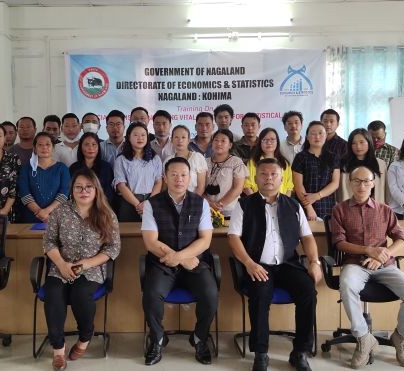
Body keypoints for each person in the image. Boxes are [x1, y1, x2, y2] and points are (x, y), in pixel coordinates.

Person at [228, 158, 321, 371]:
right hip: (258, 265)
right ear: (255, 177)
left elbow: (307, 237)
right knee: (260, 295)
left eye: (274, 174)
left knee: (308, 290)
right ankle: (261, 354)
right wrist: (249, 264)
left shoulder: (294, 205)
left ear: (281, 178)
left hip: (288, 264)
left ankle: (300, 351)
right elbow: (233, 237)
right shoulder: (244, 205)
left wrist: (314, 262)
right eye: (264, 174)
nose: (269, 178)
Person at [331, 166, 404, 369]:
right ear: (350, 183)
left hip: (385, 266)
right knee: (346, 285)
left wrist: (383, 255)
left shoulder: (385, 210)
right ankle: (364, 338)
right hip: (355, 263)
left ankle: (401, 337)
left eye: (366, 181)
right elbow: (339, 242)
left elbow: (402, 239)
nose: (361, 185)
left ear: (373, 183)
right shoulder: (340, 209)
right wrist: (368, 250)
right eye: (357, 181)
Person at [141, 157, 217, 366]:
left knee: (211, 295)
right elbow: (150, 242)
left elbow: (205, 240)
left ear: (190, 177)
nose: (179, 179)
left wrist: (181, 258)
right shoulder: (151, 204)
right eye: (173, 174)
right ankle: (157, 339)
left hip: (195, 264)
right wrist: (180, 259)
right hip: (162, 264)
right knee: (151, 295)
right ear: (165, 177)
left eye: (183, 174)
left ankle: (200, 338)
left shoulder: (200, 202)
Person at [42, 168, 121, 371]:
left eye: (88, 187)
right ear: (72, 190)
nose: (83, 191)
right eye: (78, 187)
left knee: (80, 295)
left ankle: (85, 336)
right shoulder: (60, 211)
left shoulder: (106, 214)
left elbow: (113, 248)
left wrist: (87, 263)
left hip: (91, 269)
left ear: (96, 189)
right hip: (61, 266)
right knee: (53, 294)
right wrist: (60, 264)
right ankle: (58, 350)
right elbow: (49, 242)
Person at [112, 122, 163, 222]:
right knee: (128, 234)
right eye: (135, 135)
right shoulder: (121, 159)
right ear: (129, 137)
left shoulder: (155, 158)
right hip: (129, 201)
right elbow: (121, 185)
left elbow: (158, 182)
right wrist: (137, 204)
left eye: (143, 135)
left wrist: (148, 203)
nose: (140, 138)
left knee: (152, 233)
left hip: (151, 199)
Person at [292, 121, 340, 221]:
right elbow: (298, 185)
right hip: (305, 207)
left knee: (327, 235)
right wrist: (309, 207)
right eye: (313, 134)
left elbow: (335, 183)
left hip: (327, 206)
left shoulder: (333, 157)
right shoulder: (300, 157)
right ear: (307, 137)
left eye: (320, 133)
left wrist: (317, 196)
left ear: (326, 135)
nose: (317, 137)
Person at [18, 132, 70, 223]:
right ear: (35, 148)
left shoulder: (62, 168)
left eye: (47, 144)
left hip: (57, 218)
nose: (44, 147)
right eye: (40, 145)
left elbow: (64, 193)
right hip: (31, 218)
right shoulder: (26, 169)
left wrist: (47, 211)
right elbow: (24, 193)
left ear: (53, 147)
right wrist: (40, 212)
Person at [204, 129, 248, 217]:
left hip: (230, 212)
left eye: (223, 141)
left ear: (230, 145)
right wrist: (209, 204)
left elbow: (238, 188)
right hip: (207, 210)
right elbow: (200, 187)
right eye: (216, 140)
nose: (219, 143)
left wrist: (220, 205)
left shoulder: (236, 162)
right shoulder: (204, 162)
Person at [336, 129, 387, 203]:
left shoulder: (380, 164)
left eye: (361, 142)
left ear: (369, 142)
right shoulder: (343, 164)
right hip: (348, 206)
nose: (358, 146)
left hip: (375, 207)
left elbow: (385, 190)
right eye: (354, 143)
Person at [243, 128, 293, 197]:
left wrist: (284, 203)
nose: (269, 143)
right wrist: (256, 202)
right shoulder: (253, 162)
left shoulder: (284, 163)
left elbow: (289, 187)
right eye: (265, 140)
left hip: (280, 203)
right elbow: (247, 185)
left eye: (272, 139)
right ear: (260, 142)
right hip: (257, 203)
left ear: (277, 142)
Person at [69, 132, 115, 204]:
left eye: (94, 144)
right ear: (81, 147)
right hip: (78, 207)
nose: (91, 148)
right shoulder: (73, 168)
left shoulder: (106, 167)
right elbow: (70, 191)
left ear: (98, 147)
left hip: (101, 207)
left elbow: (109, 193)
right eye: (86, 144)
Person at [162, 125, 207, 195]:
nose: (180, 140)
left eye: (183, 137)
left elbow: (201, 187)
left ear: (189, 140)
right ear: (172, 140)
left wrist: (191, 203)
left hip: (193, 201)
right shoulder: (168, 160)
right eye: (176, 137)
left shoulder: (197, 157)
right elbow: (165, 186)